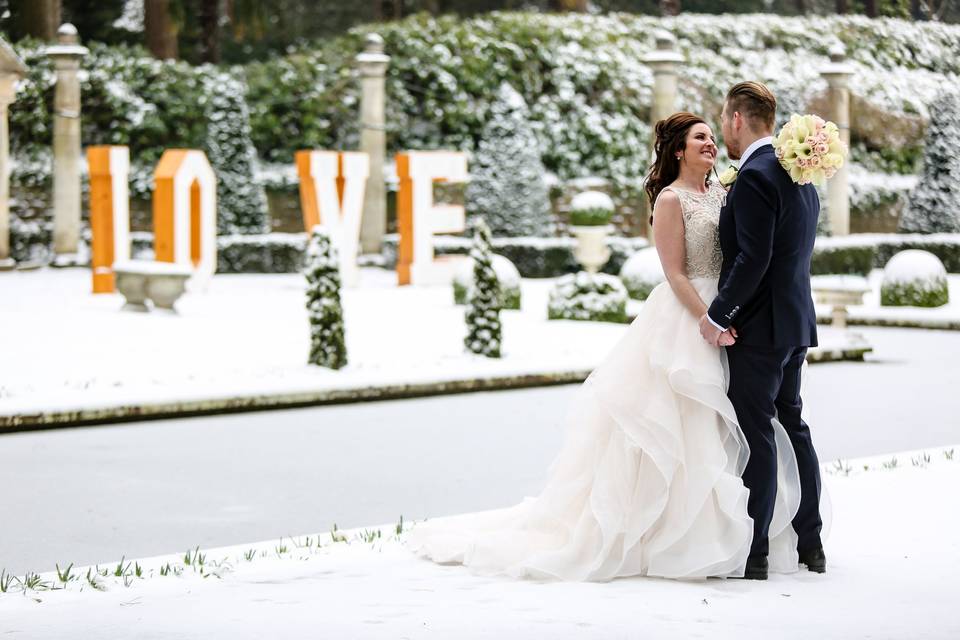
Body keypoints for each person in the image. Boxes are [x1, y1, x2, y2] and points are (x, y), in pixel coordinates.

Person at [405, 109, 804, 582]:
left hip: (733, 314)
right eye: (700, 138)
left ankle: (726, 532)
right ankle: (662, 533)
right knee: (680, 424)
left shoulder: (724, 190)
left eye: (712, 137)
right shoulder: (671, 201)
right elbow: (674, 272)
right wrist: (707, 319)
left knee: (724, 425)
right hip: (689, 318)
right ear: (678, 150)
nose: (711, 144)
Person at [698, 81, 825, 580]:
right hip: (795, 321)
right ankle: (810, 542)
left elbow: (754, 257)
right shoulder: (798, 171)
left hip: (760, 327)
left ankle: (754, 552)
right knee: (793, 427)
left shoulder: (754, 175)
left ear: (735, 119)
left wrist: (717, 315)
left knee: (757, 436)